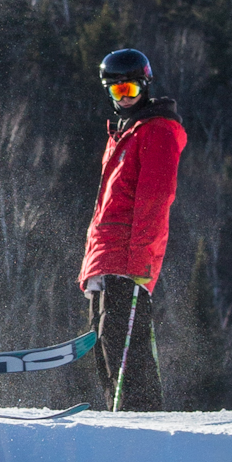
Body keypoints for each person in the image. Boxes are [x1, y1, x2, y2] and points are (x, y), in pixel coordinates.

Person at [78, 48, 187, 412]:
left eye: (130, 91)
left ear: (145, 86)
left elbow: (156, 199)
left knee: (128, 351)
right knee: (106, 348)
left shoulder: (157, 131)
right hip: (104, 258)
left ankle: (141, 421)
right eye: (116, 92)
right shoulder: (122, 135)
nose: (124, 99)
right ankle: (118, 415)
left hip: (128, 259)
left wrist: (140, 262)